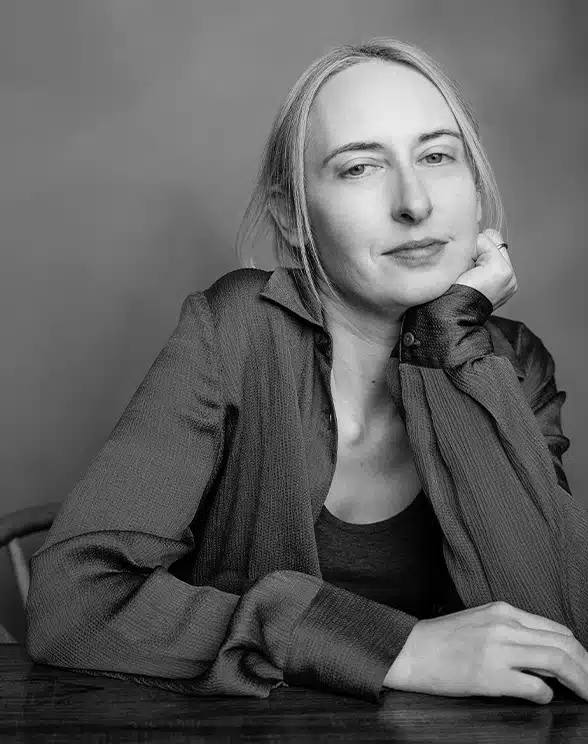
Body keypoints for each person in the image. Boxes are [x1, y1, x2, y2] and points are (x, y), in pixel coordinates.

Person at [25, 38, 588, 706]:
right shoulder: (234, 330)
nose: (414, 203)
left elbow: (555, 636)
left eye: (437, 156)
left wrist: (449, 343)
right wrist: (394, 646)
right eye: (360, 168)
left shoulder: (506, 363)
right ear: (293, 218)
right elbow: (74, 602)